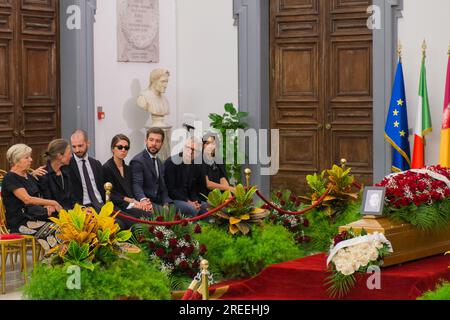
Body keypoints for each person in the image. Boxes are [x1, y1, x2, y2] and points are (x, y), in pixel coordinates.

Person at [2, 144, 62, 251]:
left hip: (36, 216)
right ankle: (54, 262)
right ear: (16, 160)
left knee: (66, 226)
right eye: (27, 157)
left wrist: (47, 205)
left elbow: (38, 196)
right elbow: (27, 199)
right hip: (21, 222)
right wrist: (53, 202)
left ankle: (63, 260)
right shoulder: (10, 177)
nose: (31, 159)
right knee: (56, 229)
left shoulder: (28, 176)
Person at [103, 134, 153, 228]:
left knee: (149, 215)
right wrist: (132, 203)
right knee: (138, 224)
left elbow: (133, 189)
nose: (123, 150)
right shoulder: (106, 168)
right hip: (116, 206)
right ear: (113, 149)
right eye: (120, 147)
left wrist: (142, 202)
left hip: (129, 204)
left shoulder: (128, 168)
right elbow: (111, 195)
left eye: (126, 148)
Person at [130, 127, 173, 213]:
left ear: (162, 143)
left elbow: (163, 187)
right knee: (169, 215)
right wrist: (143, 200)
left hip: (159, 201)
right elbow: (136, 185)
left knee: (176, 211)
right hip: (145, 202)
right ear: (146, 141)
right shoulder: (138, 161)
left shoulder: (159, 162)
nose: (154, 143)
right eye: (151, 140)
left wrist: (166, 203)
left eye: (158, 141)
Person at [164, 137, 208, 217]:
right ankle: (192, 229)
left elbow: (193, 189)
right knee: (191, 209)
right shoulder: (171, 162)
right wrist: (188, 201)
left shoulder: (195, 165)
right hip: (173, 200)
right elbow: (170, 190)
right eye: (189, 148)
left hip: (188, 199)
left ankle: (203, 228)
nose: (191, 152)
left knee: (207, 207)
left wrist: (196, 201)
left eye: (195, 150)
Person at [68, 129, 106, 213]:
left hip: (102, 204)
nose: (77, 150)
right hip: (83, 207)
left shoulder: (96, 164)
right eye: (74, 147)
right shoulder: (67, 165)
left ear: (88, 143)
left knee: (122, 223)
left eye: (80, 146)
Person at [38, 139, 75, 210]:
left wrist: (81, 209)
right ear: (59, 156)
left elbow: (72, 198)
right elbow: (48, 202)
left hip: (70, 213)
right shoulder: (43, 175)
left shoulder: (66, 171)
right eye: (69, 153)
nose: (71, 156)